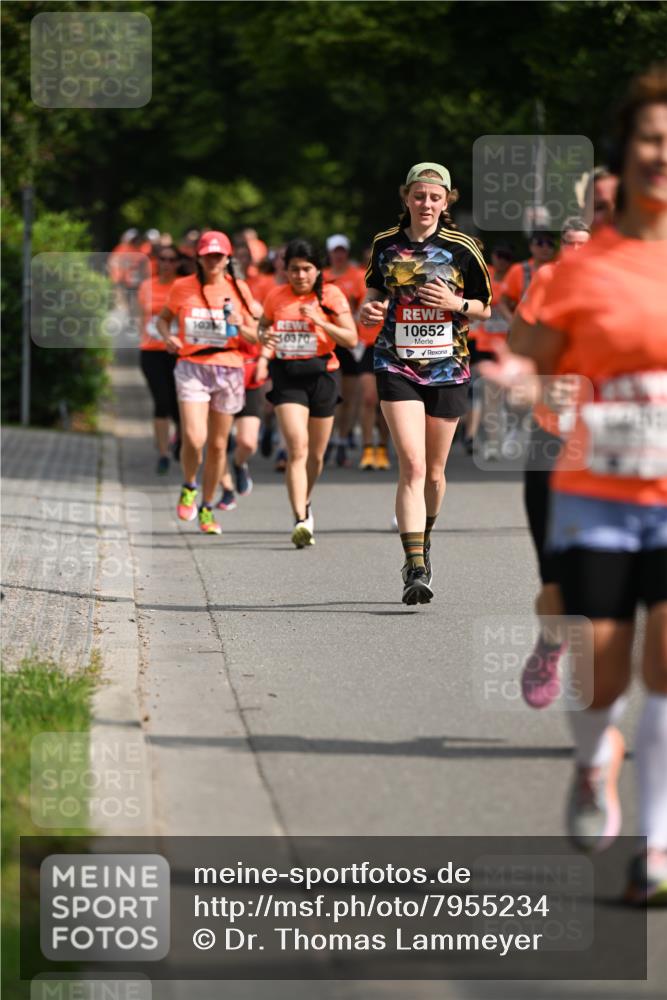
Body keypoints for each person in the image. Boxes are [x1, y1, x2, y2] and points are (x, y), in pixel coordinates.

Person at [485, 66, 667, 904]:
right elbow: (527, 359)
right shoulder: (577, 272)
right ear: (625, 155)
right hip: (595, 487)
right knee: (602, 664)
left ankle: (655, 847)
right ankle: (595, 761)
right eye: (649, 141)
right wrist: (521, 384)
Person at [360, 162, 491, 605]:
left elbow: (486, 308)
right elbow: (375, 293)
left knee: (435, 471)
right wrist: (370, 310)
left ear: (446, 200)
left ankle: (424, 539)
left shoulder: (462, 247)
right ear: (406, 197)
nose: (427, 204)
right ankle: (414, 565)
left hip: (448, 367)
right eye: (419, 196)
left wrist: (458, 302)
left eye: (435, 197)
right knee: (412, 465)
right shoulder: (385, 244)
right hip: (395, 363)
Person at [507, 217, 591, 708]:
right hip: (551, 439)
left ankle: (595, 684)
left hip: (612, 448)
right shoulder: (548, 283)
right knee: (553, 568)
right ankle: (553, 638)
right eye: (571, 245)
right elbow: (519, 344)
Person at [156, 231, 261, 535]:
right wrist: (168, 337)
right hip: (192, 366)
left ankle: (207, 507)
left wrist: (243, 325)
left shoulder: (239, 289)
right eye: (208, 255)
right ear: (198, 258)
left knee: (217, 446)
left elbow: (256, 336)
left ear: (228, 258)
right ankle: (189, 484)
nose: (213, 261)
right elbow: (163, 319)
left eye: (219, 255)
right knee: (194, 436)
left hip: (228, 367)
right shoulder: (182, 287)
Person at [258, 239, 357, 548]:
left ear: (317, 270)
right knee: (297, 447)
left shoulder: (332, 296)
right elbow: (262, 328)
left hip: (323, 375)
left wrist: (320, 321)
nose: (299, 276)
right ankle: (300, 518)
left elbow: (351, 339)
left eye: (306, 269)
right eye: (293, 270)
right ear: (284, 270)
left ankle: (306, 500)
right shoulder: (276, 295)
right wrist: (266, 336)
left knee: (316, 455)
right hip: (287, 376)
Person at [323, 234, 372, 468]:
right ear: (329, 253)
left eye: (342, 250)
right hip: (328, 341)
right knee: (331, 396)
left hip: (351, 342)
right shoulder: (321, 277)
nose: (339, 255)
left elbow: (366, 305)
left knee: (350, 397)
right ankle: (328, 438)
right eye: (335, 251)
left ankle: (342, 439)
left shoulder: (357, 277)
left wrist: (353, 314)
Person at [465, 241, 514, 458]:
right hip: (482, 342)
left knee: (496, 394)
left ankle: (482, 435)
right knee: (481, 390)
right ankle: (475, 435)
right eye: (498, 255)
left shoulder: (515, 277)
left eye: (506, 257)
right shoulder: (485, 274)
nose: (501, 260)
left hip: (507, 344)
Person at [137, 244, 183, 474]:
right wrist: (141, 337)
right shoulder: (146, 286)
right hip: (151, 351)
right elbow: (140, 315)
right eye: (162, 259)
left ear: (177, 263)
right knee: (161, 401)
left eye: (172, 259)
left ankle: (181, 438)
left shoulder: (184, 286)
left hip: (178, 352)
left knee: (178, 403)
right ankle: (163, 453)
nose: (166, 263)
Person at [498, 228, 557, 322]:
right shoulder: (518, 270)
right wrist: (512, 322)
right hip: (525, 327)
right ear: (531, 246)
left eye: (550, 244)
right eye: (540, 243)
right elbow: (502, 302)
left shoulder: (561, 270)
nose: (545, 248)